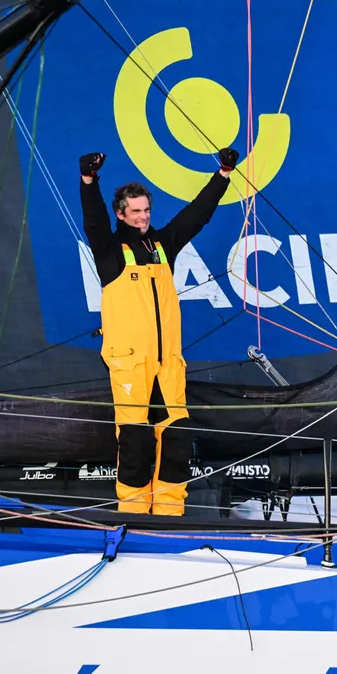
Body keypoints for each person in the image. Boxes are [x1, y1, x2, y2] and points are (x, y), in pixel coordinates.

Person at [79, 148, 238, 515]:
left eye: (146, 210)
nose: (142, 217)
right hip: (130, 363)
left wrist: (223, 174)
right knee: (134, 440)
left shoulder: (163, 245)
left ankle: (169, 511)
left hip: (168, 362)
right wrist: (89, 181)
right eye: (135, 211)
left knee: (177, 437)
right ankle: (133, 514)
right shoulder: (110, 249)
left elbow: (196, 216)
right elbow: (94, 221)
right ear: (122, 213)